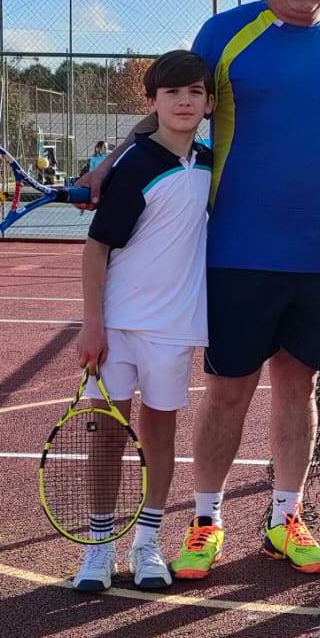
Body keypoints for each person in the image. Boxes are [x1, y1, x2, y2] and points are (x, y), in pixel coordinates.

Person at [84, 0, 320, 581]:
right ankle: (206, 520)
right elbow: (171, 107)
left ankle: (286, 518)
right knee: (228, 390)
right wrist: (111, 162)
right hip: (237, 249)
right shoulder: (225, 34)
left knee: (299, 386)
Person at [72, 51, 214, 594]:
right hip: (116, 326)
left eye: (195, 92)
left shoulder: (212, 164)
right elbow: (96, 248)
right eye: (172, 93)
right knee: (107, 435)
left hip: (174, 328)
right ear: (152, 102)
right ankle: (99, 546)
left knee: (160, 435)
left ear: (209, 103)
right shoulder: (134, 166)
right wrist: (93, 324)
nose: (184, 101)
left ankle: (147, 543)